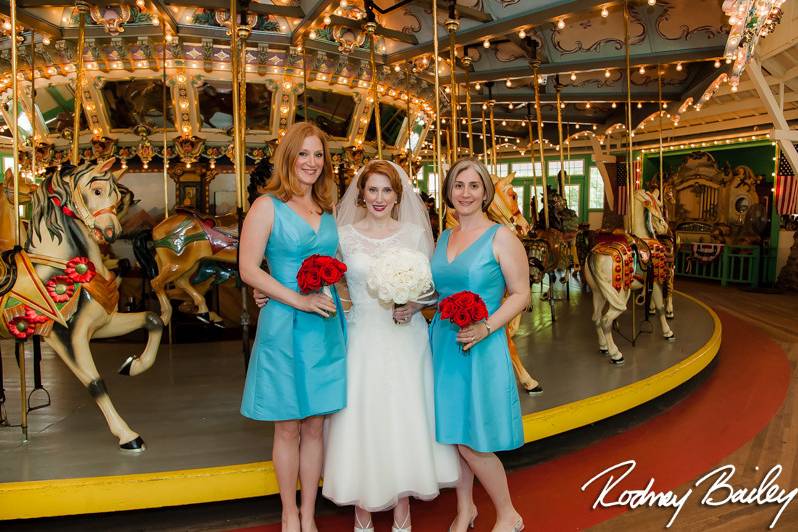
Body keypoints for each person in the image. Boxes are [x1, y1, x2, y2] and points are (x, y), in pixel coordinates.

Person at [322, 160, 459, 532]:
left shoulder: (415, 233)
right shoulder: (344, 235)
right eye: (373, 190)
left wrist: (414, 304)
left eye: (387, 190)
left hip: (405, 338)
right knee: (363, 418)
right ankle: (362, 512)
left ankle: (402, 510)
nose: (380, 198)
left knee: (403, 418)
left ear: (398, 196)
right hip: (363, 336)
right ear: (362, 194)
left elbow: (433, 290)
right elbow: (329, 283)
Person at [239, 122, 347, 532]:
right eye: (303, 154)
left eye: (318, 155)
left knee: (316, 424)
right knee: (287, 425)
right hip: (286, 323)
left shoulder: (327, 209)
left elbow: (338, 270)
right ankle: (288, 512)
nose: (312, 162)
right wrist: (293, 297)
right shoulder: (267, 206)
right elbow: (249, 268)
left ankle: (309, 513)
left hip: (324, 323)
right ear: (288, 158)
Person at [429, 157, 529, 532]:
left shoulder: (501, 236)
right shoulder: (443, 237)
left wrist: (487, 328)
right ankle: (465, 508)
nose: (465, 193)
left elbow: (520, 294)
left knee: (474, 440)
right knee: (454, 433)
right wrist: (412, 305)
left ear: (486, 191)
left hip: (479, 344)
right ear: (448, 192)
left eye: (473, 185)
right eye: (458, 185)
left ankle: (508, 513)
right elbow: (437, 291)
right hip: (443, 341)